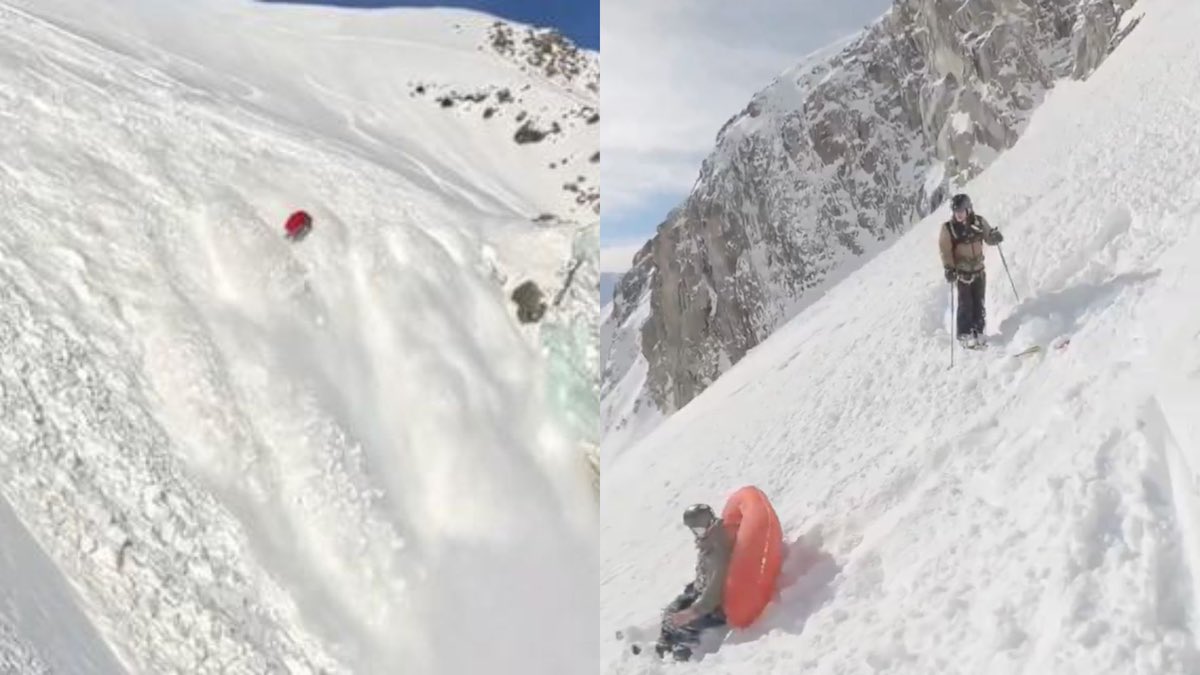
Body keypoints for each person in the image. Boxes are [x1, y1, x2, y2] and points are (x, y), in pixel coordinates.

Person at [653, 504, 733, 662]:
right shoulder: (711, 539)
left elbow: (715, 592)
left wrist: (692, 612)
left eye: (699, 530)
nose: (697, 534)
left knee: (683, 621)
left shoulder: (718, 551)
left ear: (709, 523)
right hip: (701, 593)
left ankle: (685, 648)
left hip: (715, 607)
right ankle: (667, 640)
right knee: (673, 610)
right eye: (694, 530)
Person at [939, 193, 1003, 348]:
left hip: (979, 270)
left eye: (961, 211)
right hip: (962, 273)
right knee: (965, 303)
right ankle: (965, 335)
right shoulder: (949, 229)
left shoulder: (979, 222)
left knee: (979, 302)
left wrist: (995, 237)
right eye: (956, 212)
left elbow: (988, 236)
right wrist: (949, 268)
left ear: (968, 210)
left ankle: (979, 332)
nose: (959, 215)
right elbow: (945, 250)